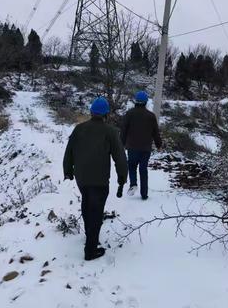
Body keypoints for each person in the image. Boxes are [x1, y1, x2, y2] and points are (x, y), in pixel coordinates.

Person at [63, 97, 128, 261]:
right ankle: (90, 250)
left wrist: (68, 171)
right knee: (96, 211)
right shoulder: (111, 131)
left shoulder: (79, 129)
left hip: (82, 178)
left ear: (91, 112)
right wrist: (122, 177)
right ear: (106, 114)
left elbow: (69, 151)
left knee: (86, 205)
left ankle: (90, 237)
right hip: (99, 180)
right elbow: (120, 157)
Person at [121, 91, 162, 200]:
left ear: (135, 101)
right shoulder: (151, 116)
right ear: (146, 102)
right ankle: (144, 194)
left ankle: (133, 184)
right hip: (146, 148)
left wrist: (121, 144)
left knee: (132, 166)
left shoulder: (129, 114)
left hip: (132, 146)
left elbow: (123, 130)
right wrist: (159, 145)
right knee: (143, 169)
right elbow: (155, 133)